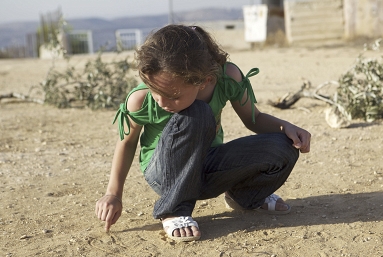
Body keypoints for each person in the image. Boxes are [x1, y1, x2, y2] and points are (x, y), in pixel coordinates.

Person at [95, 25, 311, 242]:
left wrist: (287, 128)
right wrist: (113, 194)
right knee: (196, 113)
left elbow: (253, 119)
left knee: (285, 145)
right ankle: (174, 210)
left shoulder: (227, 76)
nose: (161, 101)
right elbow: (127, 143)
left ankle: (244, 195)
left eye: (173, 95)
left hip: (207, 169)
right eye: (155, 90)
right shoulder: (140, 99)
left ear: (204, 81)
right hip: (164, 175)